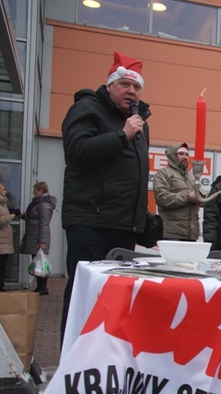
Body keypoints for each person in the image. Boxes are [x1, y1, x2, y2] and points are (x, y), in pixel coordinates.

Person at [60, 51, 150, 343]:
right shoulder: (87, 108)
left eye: (137, 87)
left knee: (115, 301)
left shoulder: (139, 122)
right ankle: (72, 362)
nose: (132, 91)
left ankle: (104, 363)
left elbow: (130, 176)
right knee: (84, 297)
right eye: (125, 84)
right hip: (91, 223)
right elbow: (77, 152)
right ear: (110, 85)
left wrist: (142, 220)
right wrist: (121, 135)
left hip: (122, 227)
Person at [153, 142, 201, 241]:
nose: (185, 157)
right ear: (173, 156)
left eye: (187, 154)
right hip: (172, 234)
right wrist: (188, 197)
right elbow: (161, 198)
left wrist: (202, 199)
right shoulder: (163, 174)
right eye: (181, 154)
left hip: (191, 235)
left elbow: (198, 196)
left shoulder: (192, 176)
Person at [19, 181, 57, 295]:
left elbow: (44, 223)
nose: (33, 192)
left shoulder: (43, 205)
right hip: (34, 236)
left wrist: (42, 241)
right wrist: (22, 215)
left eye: (35, 190)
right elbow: (34, 219)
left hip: (38, 238)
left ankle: (42, 287)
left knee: (40, 262)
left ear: (41, 191)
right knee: (37, 262)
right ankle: (40, 287)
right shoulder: (38, 204)